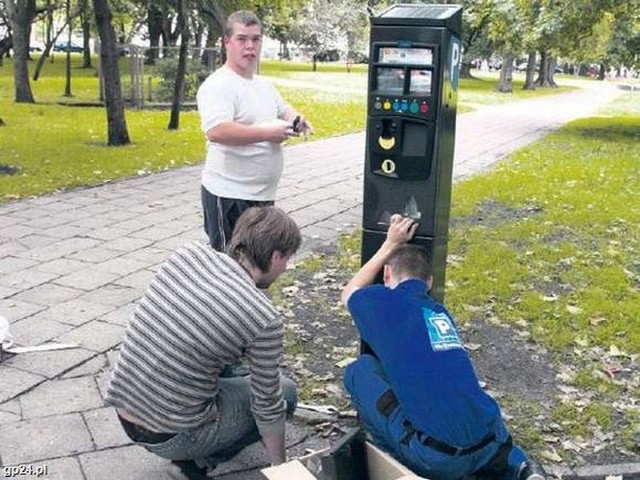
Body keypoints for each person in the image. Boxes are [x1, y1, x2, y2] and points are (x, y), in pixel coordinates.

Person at [341, 214, 548, 480]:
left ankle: (394, 460)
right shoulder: (439, 313)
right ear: (429, 283)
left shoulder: (382, 302)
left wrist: (390, 244)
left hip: (437, 458)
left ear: (387, 275)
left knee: (359, 371)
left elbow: (349, 292)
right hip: (490, 442)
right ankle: (521, 467)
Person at [105, 206, 302, 479]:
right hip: (170, 435)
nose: (285, 268)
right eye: (287, 259)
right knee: (286, 392)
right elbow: (267, 404)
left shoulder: (188, 254)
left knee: (229, 365)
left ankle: (195, 440)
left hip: (125, 410)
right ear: (275, 255)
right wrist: (283, 469)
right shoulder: (263, 317)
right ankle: (196, 463)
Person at [196, 10, 313, 251]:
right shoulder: (218, 85)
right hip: (229, 195)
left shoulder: (262, 84)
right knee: (228, 266)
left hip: (262, 196)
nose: (250, 46)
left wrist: (296, 119)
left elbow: (282, 108)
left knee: (256, 264)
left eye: (256, 39)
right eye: (242, 39)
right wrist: (267, 133)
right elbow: (217, 131)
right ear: (226, 42)